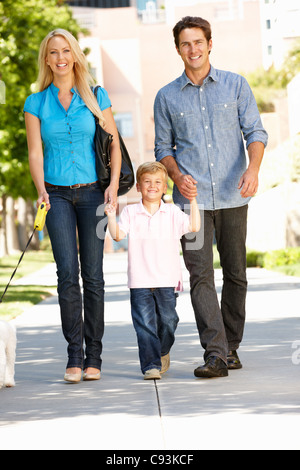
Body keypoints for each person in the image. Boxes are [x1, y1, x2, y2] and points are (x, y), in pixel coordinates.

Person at [154, 17, 268, 378]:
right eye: (186, 44)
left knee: (236, 274)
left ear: (209, 43)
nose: (193, 49)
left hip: (234, 194)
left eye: (198, 42)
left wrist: (253, 169)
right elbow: (162, 148)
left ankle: (231, 346)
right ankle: (215, 353)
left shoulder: (235, 85)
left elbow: (255, 130)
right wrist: (175, 174)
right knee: (200, 275)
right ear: (178, 49)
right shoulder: (166, 96)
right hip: (193, 204)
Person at [24, 29, 121, 383]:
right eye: (54, 52)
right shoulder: (35, 102)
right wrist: (41, 191)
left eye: (66, 51)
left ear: (75, 56)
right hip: (57, 196)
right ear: (46, 59)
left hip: (94, 193)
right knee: (67, 275)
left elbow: (113, 145)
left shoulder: (96, 96)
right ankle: (74, 356)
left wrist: (112, 186)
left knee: (93, 275)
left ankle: (94, 354)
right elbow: (35, 152)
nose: (61, 57)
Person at [105, 162, 201, 380]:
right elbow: (118, 235)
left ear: (164, 187)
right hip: (139, 280)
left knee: (169, 321)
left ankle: (163, 350)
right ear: (138, 187)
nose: (152, 186)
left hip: (167, 278)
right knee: (145, 326)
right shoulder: (130, 211)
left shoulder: (173, 212)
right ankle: (151, 365)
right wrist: (111, 216)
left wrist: (193, 200)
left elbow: (194, 227)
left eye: (158, 182)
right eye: (147, 182)